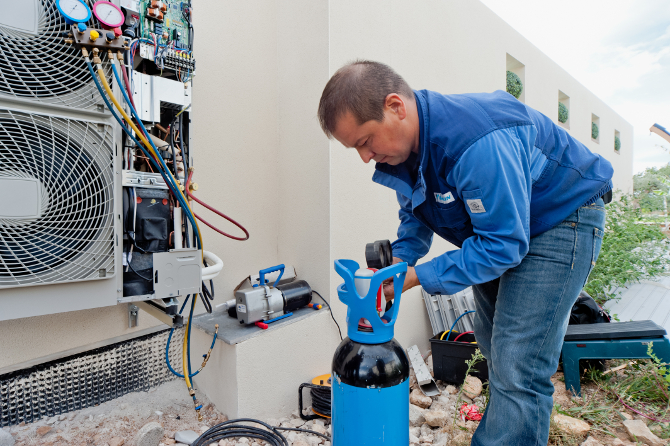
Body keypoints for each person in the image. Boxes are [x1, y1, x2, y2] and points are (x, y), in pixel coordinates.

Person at [318, 60, 613, 445]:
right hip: (498, 232)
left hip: (561, 218)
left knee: (518, 363)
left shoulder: (474, 141)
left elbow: (504, 245)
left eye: (364, 141)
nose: (364, 157)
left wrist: (417, 277)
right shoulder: (405, 153)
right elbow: (415, 215)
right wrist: (399, 262)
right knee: (493, 344)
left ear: (395, 107)